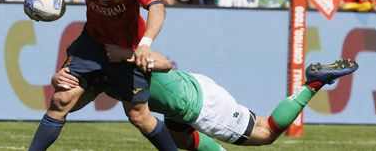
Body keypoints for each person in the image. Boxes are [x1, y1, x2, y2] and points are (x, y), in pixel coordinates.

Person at [25, 0, 178, 151]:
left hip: (126, 49)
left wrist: (145, 44)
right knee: (61, 99)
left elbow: (157, 7)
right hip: (92, 44)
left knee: (139, 116)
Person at [51, 44, 358, 150]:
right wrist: (60, 86)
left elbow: (164, 62)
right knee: (182, 141)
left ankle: (313, 84)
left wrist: (130, 55)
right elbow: (71, 105)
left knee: (266, 133)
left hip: (200, 105)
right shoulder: (99, 75)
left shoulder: (116, 57)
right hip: (186, 96)